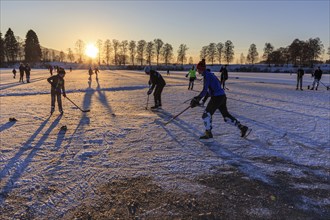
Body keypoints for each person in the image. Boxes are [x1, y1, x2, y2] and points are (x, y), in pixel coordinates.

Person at [190, 68, 249, 139]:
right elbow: (210, 90)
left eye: (198, 69)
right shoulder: (212, 75)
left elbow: (205, 90)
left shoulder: (207, 76)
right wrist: (200, 100)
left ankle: (208, 133)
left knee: (206, 115)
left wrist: (197, 98)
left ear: (202, 69)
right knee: (226, 116)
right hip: (222, 96)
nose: (198, 71)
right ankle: (242, 127)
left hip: (216, 98)